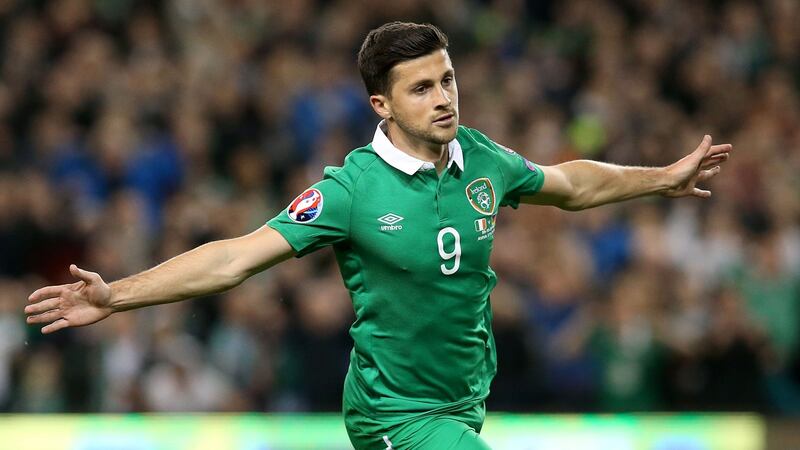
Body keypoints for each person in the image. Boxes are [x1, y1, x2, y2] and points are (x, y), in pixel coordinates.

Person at [25, 22, 731, 450]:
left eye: (448, 79)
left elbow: (573, 185)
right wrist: (118, 296)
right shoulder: (351, 190)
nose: (445, 96)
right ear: (381, 105)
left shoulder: (482, 158)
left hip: (462, 401)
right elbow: (237, 257)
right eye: (421, 88)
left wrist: (661, 177)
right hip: (395, 409)